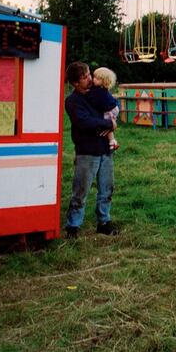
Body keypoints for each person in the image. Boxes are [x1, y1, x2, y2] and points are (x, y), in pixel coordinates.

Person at [64, 61, 118, 238]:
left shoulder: (98, 92)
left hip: (105, 149)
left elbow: (113, 105)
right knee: (80, 191)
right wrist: (109, 124)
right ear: (75, 83)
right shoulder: (72, 101)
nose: (89, 79)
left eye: (89, 75)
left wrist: (111, 119)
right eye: (84, 77)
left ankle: (104, 222)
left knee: (107, 188)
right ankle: (73, 226)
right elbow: (84, 122)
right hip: (87, 150)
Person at [89, 67, 120, 151]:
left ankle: (112, 142)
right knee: (108, 124)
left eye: (97, 78)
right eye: (94, 77)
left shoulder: (100, 91)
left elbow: (97, 103)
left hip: (110, 110)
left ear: (104, 81)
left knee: (107, 125)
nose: (93, 79)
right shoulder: (100, 89)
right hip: (113, 108)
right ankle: (112, 142)